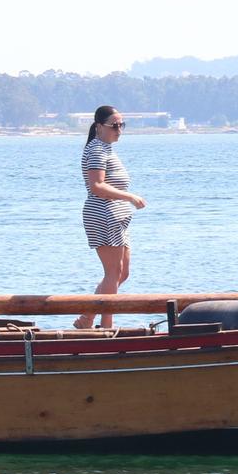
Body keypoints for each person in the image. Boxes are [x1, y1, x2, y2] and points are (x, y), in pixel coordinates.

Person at [74, 104, 146, 330]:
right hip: (104, 215)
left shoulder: (105, 148)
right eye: (114, 125)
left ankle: (87, 317)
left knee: (122, 273)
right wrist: (130, 197)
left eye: (121, 125)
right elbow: (97, 186)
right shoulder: (96, 149)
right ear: (99, 127)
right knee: (112, 273)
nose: (119, 130)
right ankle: (106, 326)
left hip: (117, 218)